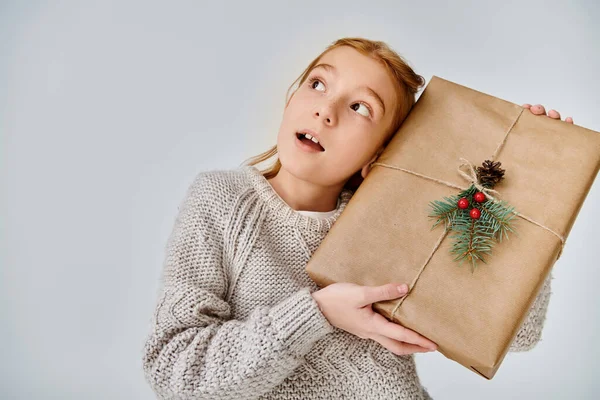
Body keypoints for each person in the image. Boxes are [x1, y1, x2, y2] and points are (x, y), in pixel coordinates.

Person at [141, 36, 573, 400]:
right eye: (317, 83)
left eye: (360, 108)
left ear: (381, 157)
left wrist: (526, 195)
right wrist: (318, 314)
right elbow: (175, 371)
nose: (325, 110)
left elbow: (517, 335)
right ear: (292, 97)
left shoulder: (395, 226)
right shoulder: (220, 200)